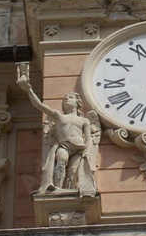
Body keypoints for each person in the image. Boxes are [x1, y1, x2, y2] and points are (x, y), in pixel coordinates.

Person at [16, 68, 98, 197]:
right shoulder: (59, 117)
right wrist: (29, 90)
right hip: (64, 145)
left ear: (78, 102)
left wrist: (88, 150)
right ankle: (57, 187)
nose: (67, 99)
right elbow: (39, 105)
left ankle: (69, 190)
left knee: (72, 171)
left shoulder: (84, 121)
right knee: (61, 161)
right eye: (65, 98)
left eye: (70, 97)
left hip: (79, 148)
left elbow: (88, 139)